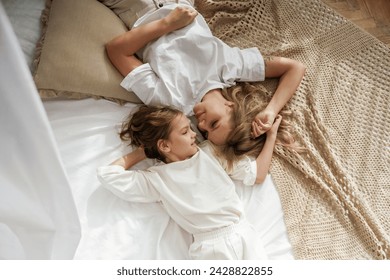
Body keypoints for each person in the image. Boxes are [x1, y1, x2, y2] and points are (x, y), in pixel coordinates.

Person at [105, 1, 306, 148]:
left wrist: (167, 24)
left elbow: (116, 50)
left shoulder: (171, 102)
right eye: (214, 123)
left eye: (204, 131)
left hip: (136, 7)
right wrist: (270, 111)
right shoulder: (231, 68)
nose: (201, 124)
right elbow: (295, 68)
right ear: (231, 106)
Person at [97, 105, 282, 259]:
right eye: (185, 131)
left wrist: (271, 136)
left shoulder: (210, 153)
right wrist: (141, 153)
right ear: (164, 145)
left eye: (190, 128)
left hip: (243, 233)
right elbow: (108, 175)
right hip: (210, 247)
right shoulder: (156, 179)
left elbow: (257, 174)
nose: (194, 134)